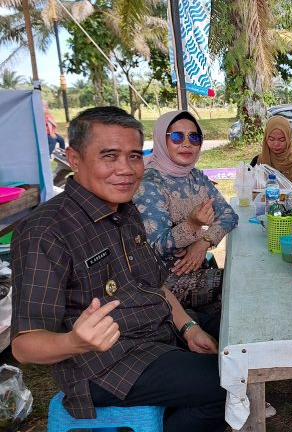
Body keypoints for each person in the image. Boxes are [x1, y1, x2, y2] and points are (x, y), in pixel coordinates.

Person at [10, 106, 228, 432]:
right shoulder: (46, 231)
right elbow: (23, 346)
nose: (125, 169)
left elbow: (155, 285)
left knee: (235, 332)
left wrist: (188, 328)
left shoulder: (125, 211)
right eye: (109, 156)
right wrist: (75, 341)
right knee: (227, 384)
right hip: (107, 365)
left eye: (134, 156)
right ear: (74, 158)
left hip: (157, 333)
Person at [134, 111, 239, 314]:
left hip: (197, 268)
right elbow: (156, 248)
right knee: (238, 283)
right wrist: (191, 225)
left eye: (194, 137)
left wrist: (204, 242)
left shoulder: (196, 177)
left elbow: (229, 215)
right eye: (176, 137)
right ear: (161, 140)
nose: (187, 143)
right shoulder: (150, 184)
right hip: (166, 281)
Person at [250, 115, 292, 188]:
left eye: (281, 140)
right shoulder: (258, 162)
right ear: (266, 139)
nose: (276, 144)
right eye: (271, 139)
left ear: (288, 138)